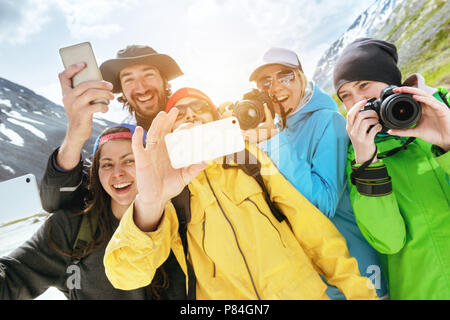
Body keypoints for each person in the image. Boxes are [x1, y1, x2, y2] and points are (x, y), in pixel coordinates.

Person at [103, 87, 379, 300]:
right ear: (170, 129)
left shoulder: (251, 159)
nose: (189, 114)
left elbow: (314, 232)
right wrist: (151, 202)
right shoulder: (166, 189)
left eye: (199, 107)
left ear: (215, 118)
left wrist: (359, 292)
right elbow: (126, 275)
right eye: (180, 111)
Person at [245, 47, 388, 299]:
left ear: (301, 77)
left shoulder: (327, 121)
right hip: (311, 278)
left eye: (285, 76)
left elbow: (322, 204)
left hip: (355, 271)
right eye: (265, 81)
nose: (275, 87)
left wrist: (275, 142)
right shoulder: (270, 130)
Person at [333, 37, 450, 299]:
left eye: (364, 85)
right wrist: (367, 163)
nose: (358, 101)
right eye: (346, 96)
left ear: (390, 83)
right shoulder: (359, 156)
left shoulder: (445, 108)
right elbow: (389, 240)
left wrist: (448, 143)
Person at [0, 125, 174, 299]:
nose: (117, 173)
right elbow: (14, 276)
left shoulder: (179, 221)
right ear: (96, 173)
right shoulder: (72, 227)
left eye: (130, 160)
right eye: (107, 164)